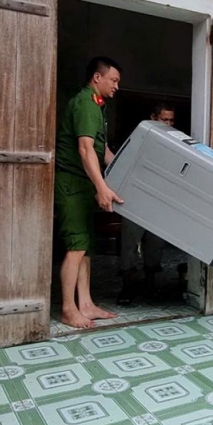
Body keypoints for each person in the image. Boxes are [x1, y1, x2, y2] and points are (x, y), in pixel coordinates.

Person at [54, 56, 124, 328]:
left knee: (87, 246)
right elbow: (85, 149)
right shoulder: (85, 103)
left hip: (84, 184)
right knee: (76, 245)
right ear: (98, 77)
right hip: (71, 183)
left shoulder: (97, 106)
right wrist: (101, 186)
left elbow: (102, 151)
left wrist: (121, 175)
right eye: (114, 80)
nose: (117, 86)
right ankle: (68, 309)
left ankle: (86, 303)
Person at [118, 102, 176, 305]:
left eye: (171, 120)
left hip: (159, 204)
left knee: (155, 248)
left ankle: (151, 287)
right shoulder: (139, 139)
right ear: (153, 118)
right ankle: (126, 289)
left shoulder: (176, 146)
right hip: (134, 201)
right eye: (164, 119)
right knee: (129, 247)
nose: (168, 124)